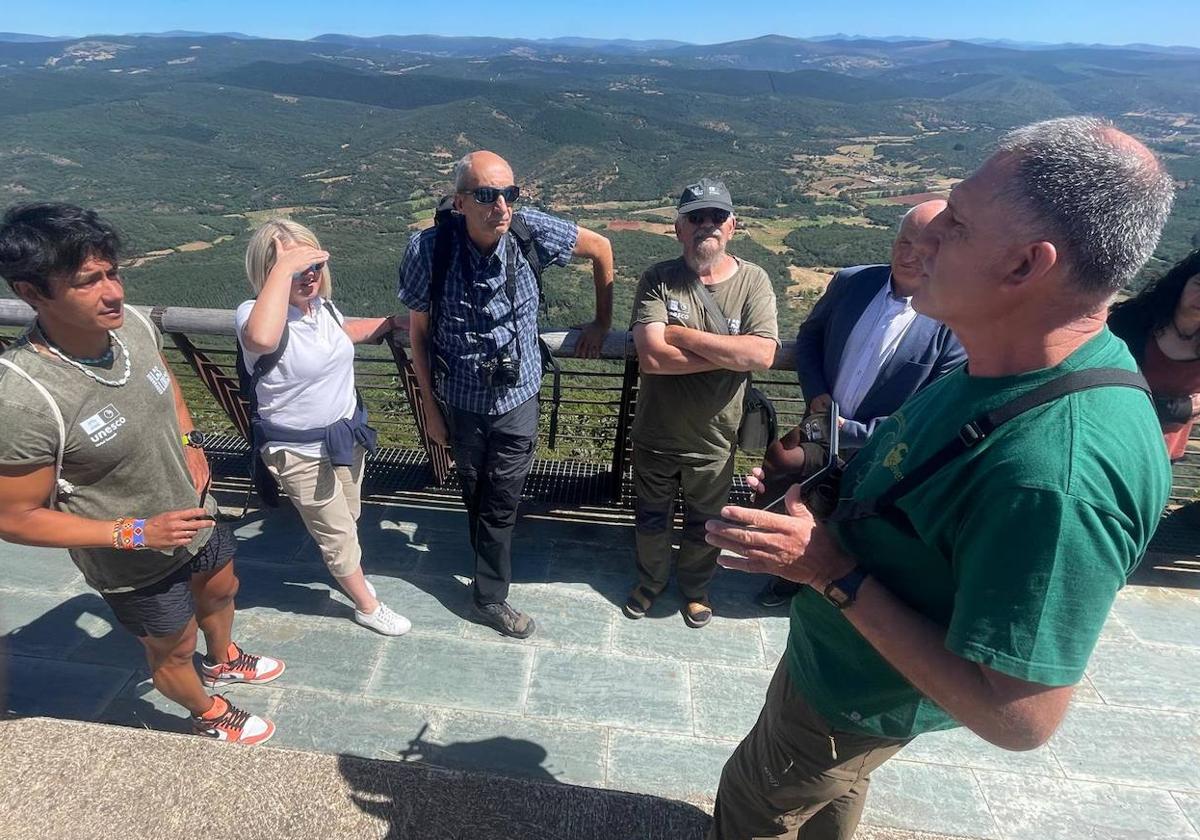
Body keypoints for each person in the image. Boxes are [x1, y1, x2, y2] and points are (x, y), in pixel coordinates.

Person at [704, 116, 1175, 839]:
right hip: (848, 681)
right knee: (827, 799)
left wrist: (831, 572)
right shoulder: (1002, 365)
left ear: (1025, 266)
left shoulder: (1058, 473)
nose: (922, 247)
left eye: (954, 224)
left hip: (859, 696)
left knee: (751, 806)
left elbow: (1019, 718)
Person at [0, 203, 284, 744]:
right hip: (130, 556)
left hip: (195, 507)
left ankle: (222, 657)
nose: (114, 292)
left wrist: (190, 441)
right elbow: (13, 518)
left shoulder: (129, 326)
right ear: (32, 292)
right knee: (171, 649)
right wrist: (134, 532)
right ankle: (208, 709)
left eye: (114, 273)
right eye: (89, 281)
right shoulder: (24, 399)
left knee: (223, 588)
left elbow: (166, 383)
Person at [398, 150, 615, 639]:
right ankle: (488, 557)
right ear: (459, 202)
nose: (501, 205)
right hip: (460, 395)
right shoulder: (428, 250)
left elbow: (601, 248)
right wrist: (430, 411)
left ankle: (488, 596)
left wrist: (602, 323)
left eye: (509, 193)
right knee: (476, 489)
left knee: (500, 499)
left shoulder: (529, 231)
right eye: (486, 195)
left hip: (518, 394)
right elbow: (418, 335)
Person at [754, 200, 965, 607]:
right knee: (792, 487)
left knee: (852, 522)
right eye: (903, 241)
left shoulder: (953, 321)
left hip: (883, 451)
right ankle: (785, 574)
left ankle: (831, 591)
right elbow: (811, 337)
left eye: (923, 248)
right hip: (818, 425)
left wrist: (850, 431)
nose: (908, 255)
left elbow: (930, 409)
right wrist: (815, 391)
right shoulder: (852, 281)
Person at [237, 219, 411, 636]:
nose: (308, 274)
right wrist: (285, 269)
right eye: (296, 267)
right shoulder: (253, 314)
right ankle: (367, 605)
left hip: (345, 437)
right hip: (297, 450)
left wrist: (387, 322)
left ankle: (350, 567)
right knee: (336, 531)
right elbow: (261, 339)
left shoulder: (321, 309)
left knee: (348, 515)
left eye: (313, 264)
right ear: (269, 270)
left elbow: (340, 335)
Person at [626, 178, 778, 628]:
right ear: (679, 228)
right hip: (655, 433)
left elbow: (761, 354)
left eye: (716, 217)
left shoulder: (753, 280)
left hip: (715, 439)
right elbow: (652, 358)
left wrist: (681, 335)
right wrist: (727, 351)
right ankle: (650, 582)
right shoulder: (658, 278)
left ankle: (695, 589)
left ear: (733, 226)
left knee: (704, 525)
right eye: (696, 217)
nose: (706, 225)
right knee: (651, 520)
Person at [1109, 249, 1200, 462]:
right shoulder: (1131, 323)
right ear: (1182, 284)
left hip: (1163, 455)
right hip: (1112, 442)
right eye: (1199, 284)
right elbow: (1108, 391)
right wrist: (1178, 409)